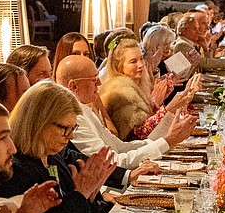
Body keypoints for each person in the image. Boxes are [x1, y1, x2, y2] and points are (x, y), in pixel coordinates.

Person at [0, 82, 116, 213]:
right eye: (64, 128)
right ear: (38, 122)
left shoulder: (53, 160)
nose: (69, 136)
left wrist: (92, 195)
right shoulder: (16, 170)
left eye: (73, 128)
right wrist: (81, 194)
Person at [56, 55, 195, 174]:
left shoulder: (83, 108)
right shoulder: (73, 117)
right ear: (74, 86)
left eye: (141, 58)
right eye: (94, 79)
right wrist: (167, 140)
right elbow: (112, 160)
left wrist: (167, 139)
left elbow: (121, 146)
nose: (99, 83)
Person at [100, 38, 198, 141]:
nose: (141, 65)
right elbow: (137, 136)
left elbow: (147, 120)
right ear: (118, 66)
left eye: (141, 59)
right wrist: (170, 108)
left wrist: (159, 101)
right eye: (133, 61)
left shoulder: (136, 84)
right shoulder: (120, 92)